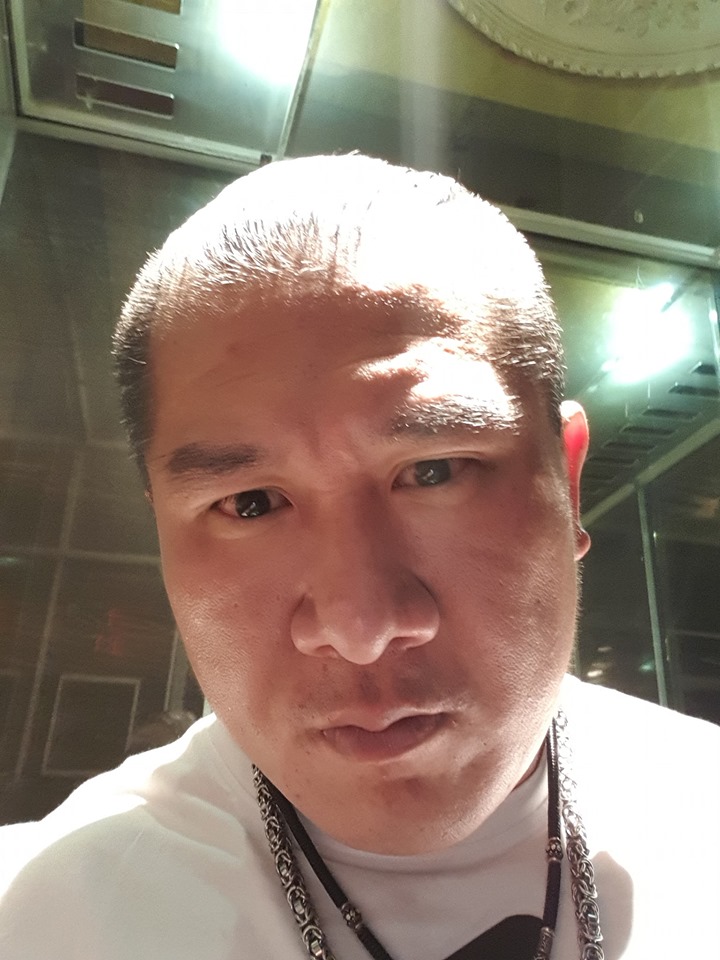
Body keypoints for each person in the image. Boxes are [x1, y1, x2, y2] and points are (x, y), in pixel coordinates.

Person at [0, 154, 718, 960]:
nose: (362, 627)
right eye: (250, 503)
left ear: (569, 483)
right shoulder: (44, 919)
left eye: (435, 472)